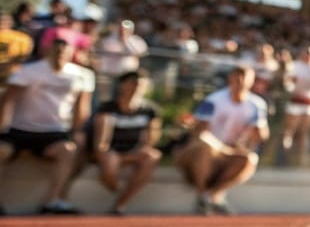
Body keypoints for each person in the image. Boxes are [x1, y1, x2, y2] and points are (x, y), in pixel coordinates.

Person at [0, 37, 93, 213]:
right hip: (19, 130)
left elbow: (82, 108)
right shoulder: (28, 71)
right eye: (56, 49)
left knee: (69, 151)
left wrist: (77, 132)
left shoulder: (83, 75)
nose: (60, 53)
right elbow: (7, 100)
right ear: (47, 51)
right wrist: (2, 127)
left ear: (71, 53)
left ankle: (53, 201)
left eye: (64, 50)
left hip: (54, 133)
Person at [174, 64, 268, 214]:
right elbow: (199, 133)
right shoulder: (214, 100)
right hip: (206, 151)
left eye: (244, 76)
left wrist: (250, 139)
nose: (240, 80)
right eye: (236, 76)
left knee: (250, 159)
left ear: (252, 80)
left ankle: (213, 196)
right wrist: (222, 147)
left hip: (229, 152)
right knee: (205, 147)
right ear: (230, 79)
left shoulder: (257, 105)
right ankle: (202, 196)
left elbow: (261, 135)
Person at [86, 69, 162, 214]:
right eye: (133, 83)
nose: (136, 88)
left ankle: (121, 204)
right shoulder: (107, 108)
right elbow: (101, 143)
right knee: (110, 163)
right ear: (122, 85)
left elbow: (151, 139)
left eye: (140, 84)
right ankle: (117, 191)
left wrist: (140, 150)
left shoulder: (150, 110)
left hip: (133, 152)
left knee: (152, 157)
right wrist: (108, 156)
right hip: (111, 152)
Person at [280, 45, 310, 166]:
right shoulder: (295, 65)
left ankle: (299, 159)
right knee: (289, 131)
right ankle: (284, 157)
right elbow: (288, 82)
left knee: (304, 133)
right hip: (296, 100)